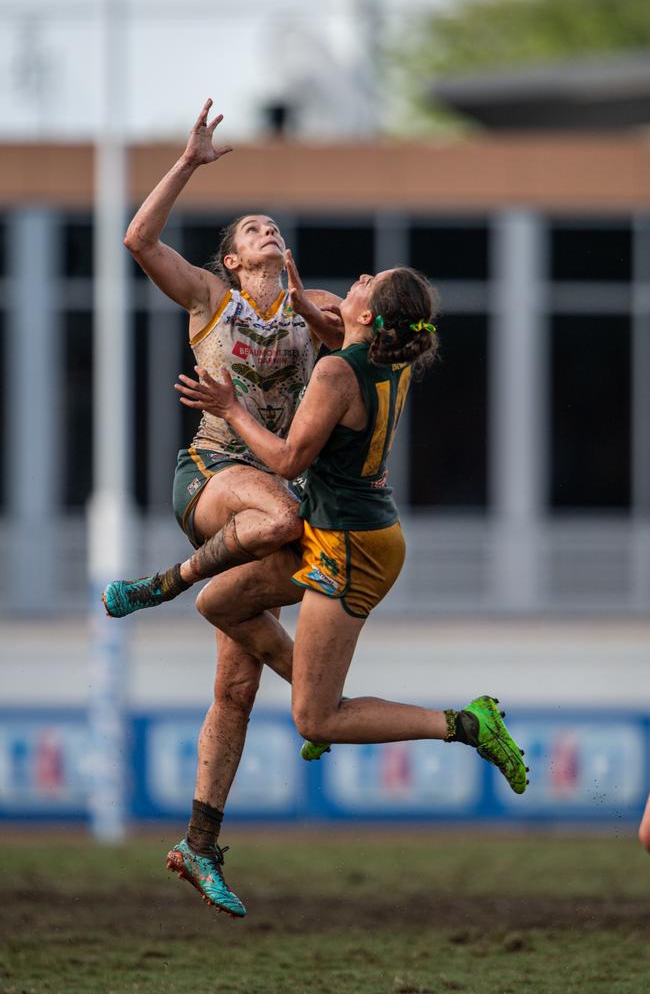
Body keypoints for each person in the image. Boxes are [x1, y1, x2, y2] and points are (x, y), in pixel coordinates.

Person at [102, 100, 343, 919]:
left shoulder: (315, 310)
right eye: (249, 230)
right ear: (233, 263)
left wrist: (322, 307)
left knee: (234, 687)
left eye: (272, 225)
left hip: (275, 486)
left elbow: (362, 337)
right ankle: (162, 585)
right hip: (213, 476)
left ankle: (199, 844)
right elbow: (136, 242)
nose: (265, 229)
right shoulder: (209, 298)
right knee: (281, 524)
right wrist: (189, 165)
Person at [177, 264, 529, 815]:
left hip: (350, 547)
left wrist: (230, 409)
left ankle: (466, 723)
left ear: (366, 316)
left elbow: (287, 459)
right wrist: (308, 306)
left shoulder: (337, 372)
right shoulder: (391, 354)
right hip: (355, 532)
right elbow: (339, 335)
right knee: (218, 602)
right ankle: (320, 693)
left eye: (369, 282)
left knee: (314, 720)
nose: (360, 277)